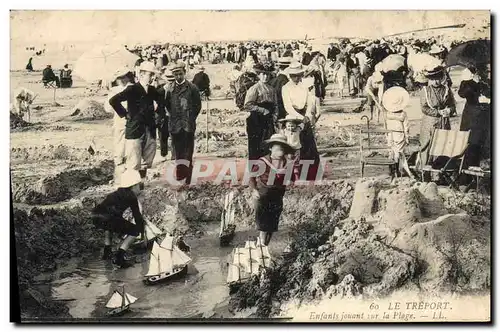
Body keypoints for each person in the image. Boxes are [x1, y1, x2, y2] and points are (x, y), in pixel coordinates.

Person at [109, 61, 162, 180]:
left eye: (154, 75)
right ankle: (132, 186)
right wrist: (125, 114)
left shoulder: (153, 90)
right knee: (133, 162)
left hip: (149, 130)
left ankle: (142, 183)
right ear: (142, 75)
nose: (153, 77)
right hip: (135, 130)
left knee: (147, 161)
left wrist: (158, 115)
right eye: (150, 74)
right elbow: (113, 100)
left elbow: (162, 103)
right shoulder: (132, 89)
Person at [249, 134, 299, 246]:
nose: (280, 151)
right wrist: (254, 190)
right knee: (263, 218)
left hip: (278, 194)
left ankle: (265, 244)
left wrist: (291, 181)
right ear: (271, 148)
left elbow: (291, 178)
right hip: (263, 193)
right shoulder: (262, 161)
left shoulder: (287, 163)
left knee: (273, 221)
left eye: (282, 148)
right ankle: (261, 242)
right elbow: (251, 177)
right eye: (277, 148)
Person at [91, 170, 145, 268]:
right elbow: (137, 217)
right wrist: (142, 232)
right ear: (133, 186)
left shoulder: (117, 193)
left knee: (109, 224)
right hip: (107, 218)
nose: (139, 188)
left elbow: (111, 212)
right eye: (139, 185)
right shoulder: (131, 196)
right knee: (134, 230)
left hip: (96, 216)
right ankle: (119, 257)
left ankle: (107, 251)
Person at [164, 62, 202, 184]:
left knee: (188, 152)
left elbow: (197, 106)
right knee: (178, 152)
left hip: (188, 125)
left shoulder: (192, 88)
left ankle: (188, 180)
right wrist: (174, 116)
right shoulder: (169, 89)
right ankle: (180, 176)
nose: (178, 76)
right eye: (175, 74)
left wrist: (190, 117)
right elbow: (167, 105)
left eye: (180, 74)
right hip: (175, 125)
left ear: (184, 73)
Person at [281, 62, 320, 181]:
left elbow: (310, 102)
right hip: (293, 117)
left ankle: (310, 175)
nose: (297, 78)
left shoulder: (304, 86)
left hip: (305, 116)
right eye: (294, 75)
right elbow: (288, 106)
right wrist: (299, 117)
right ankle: (293, 176)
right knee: (293, 146)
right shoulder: (285, 88)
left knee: (308, 145)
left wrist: (307, 116)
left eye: (299, 75)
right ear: (290, 75)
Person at [419, 65, 456, 168]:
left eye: (438, 79)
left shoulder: (446, 90)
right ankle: (425, 172)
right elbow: (424, 108)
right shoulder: (425, 91)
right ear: (430, 80)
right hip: (430, 122)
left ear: (441, 78)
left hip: (444, 122)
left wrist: (449, 110)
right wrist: (437, 112)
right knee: (427, 145)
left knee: (442, 145)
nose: (436, 82)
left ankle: (438, 174)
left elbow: (452, 105)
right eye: (433, 79)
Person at [458, 65, 491, 170]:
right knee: (470, 144)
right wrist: (474, 83)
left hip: (485, 119)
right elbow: (462, 93)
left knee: (484, 144)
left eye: (487, 71)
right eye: (484, 71)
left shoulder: (488, 83)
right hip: (471, 119)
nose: (485, 74)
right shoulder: (468, 82)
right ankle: (466, 174)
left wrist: (489, 100)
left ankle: (481, 172)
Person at [105, 71, 135, 184]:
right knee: (123, 143)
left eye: (123, 77)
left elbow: (108, 108)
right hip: (122, 120)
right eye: (119, 78)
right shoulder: (115, 90)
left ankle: (123, 168)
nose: (121, 80)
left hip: (125, 119)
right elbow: (108, 108)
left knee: (124, 143)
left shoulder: (120, 90)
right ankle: (122, 167)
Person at [243, 62, 278, 160]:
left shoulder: (272, 89)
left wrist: (275, 116)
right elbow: (247, 105)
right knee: (255, 146)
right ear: (259, 75)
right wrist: (262, 110)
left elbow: (275, 105)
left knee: (268, 144)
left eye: (267, 74)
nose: (266, 77)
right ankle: (255, 170)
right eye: (263, 74)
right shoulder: (254, 88)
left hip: (268, 120)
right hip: (256, 120)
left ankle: (267, 169)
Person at [382, 87, 414, 179]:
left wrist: (386, 134)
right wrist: (407, 137)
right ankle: (400, 170)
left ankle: (393, 169)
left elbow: (385, 126)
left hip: (390, 134)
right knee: (400, 152)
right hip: (399, 134)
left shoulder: (387, 114)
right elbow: (406, 127)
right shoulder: (403, 114)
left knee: (392, 151)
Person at [269, 57, 292, 121]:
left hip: (275, 109)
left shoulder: (272, 81)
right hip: (284, 109)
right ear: (288, 68)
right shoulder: (287, 82)